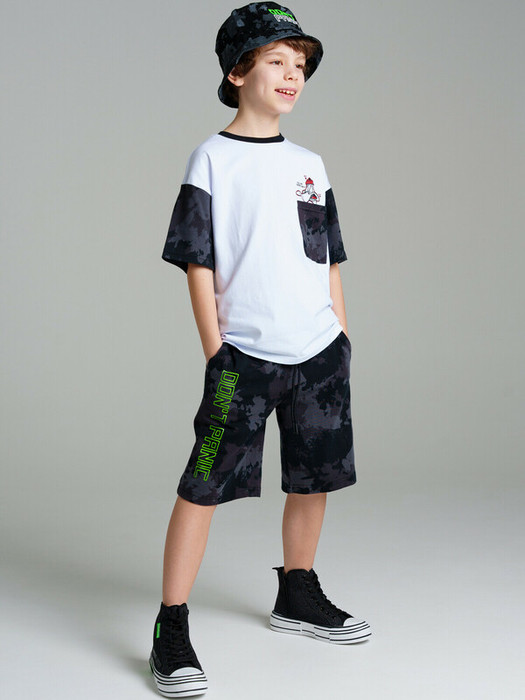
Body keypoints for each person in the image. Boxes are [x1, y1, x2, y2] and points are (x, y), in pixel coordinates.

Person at [149, 3, 371, 697]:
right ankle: (170, 626)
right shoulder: (212, 159)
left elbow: (328, 256)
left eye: (299, 65)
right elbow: (197, 260)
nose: (291, 74)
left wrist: (341, 335)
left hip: (318, 354)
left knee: (314, 478)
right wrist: (216, 350)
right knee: (203, 484)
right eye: (276, 60)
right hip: (242, 357)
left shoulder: (310, 164)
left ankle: (296, 592)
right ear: (237, 71)